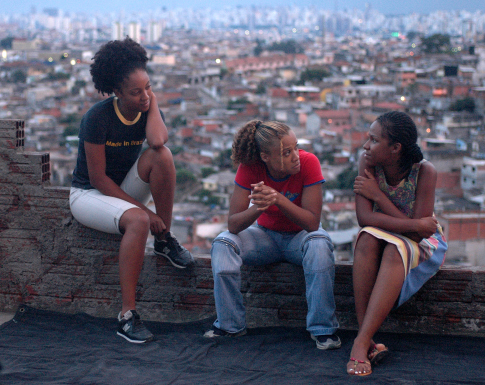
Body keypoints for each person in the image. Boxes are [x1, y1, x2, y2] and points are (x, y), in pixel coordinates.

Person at [70, 37, 194, 344]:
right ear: (116, 92)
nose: (143, 96)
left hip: (121, 189)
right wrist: (143, 211)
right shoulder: (97, 118)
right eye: (135, 92)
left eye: (147, 87)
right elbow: (98, 179)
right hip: (89, 194)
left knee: (162, 157)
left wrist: (151, 102)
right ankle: (127, 316)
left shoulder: (147, 108)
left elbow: (157, 143)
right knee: (138, 221)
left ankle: (164, 240)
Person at [204, 120, 340, 350]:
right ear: (265, 157)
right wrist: (259, 206)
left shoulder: (309, 162)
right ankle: (230, 325)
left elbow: (312, 223)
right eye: (286, 153)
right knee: (223, 243)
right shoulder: (250, 168)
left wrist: (278, 198)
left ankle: (323, 330)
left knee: (320, 244)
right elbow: (234, 224)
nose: (295, 156)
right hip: (264, 238)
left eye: (296, 147)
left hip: (301, 238)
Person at [349, 111, 447, 375]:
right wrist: (413, 223)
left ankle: (360, 342)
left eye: (373, 140)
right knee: (366, 238)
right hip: (386, 233)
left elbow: (418, 234)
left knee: (395, 249)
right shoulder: (367, 163)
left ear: (395, 148)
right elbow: (364, 219)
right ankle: (366, 337)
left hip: (421, 243)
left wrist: (379, 196)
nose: (365, 146)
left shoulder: (424, 171)